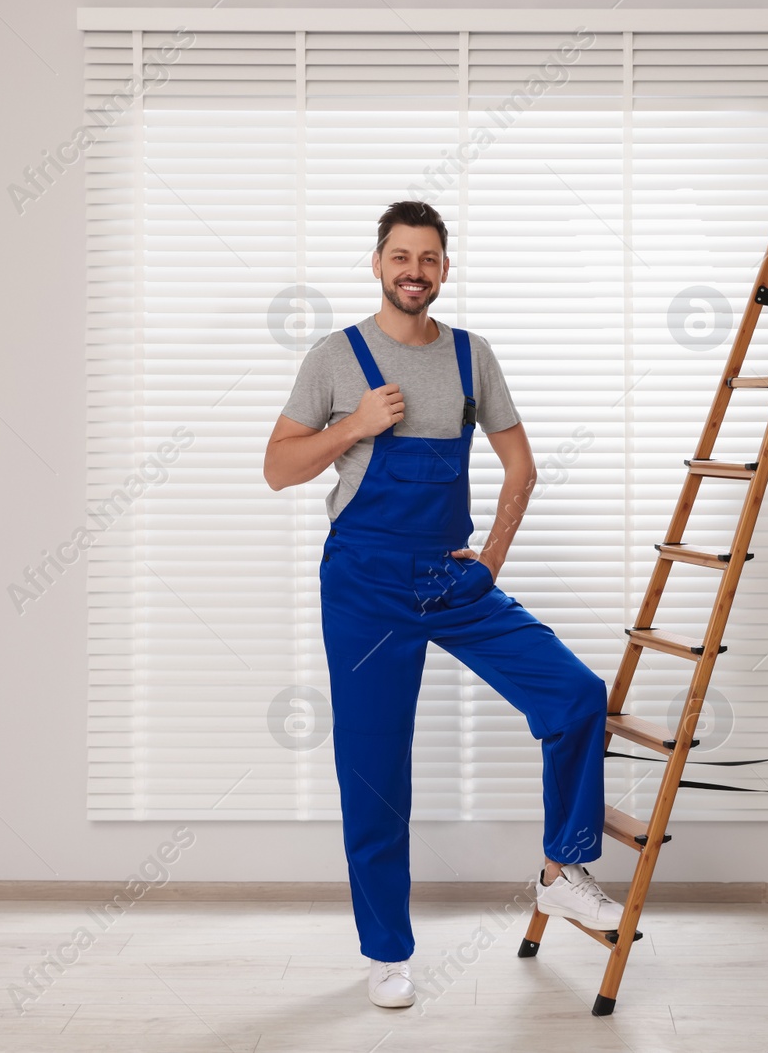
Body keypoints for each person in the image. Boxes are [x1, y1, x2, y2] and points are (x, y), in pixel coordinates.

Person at [263, 201, 623, 1009]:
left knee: (573, 695)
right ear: (378, 263)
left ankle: (564, 868)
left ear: (444, 270)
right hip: (362, 583)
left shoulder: (471, 357)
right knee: (375, 771)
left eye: (428, 258)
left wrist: (488, 560)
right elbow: (278, 468)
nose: (413, 270)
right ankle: (387, 951)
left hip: (451, 579)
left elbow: (521, 468)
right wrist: (353, 424)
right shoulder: (336, 357)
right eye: (400, 256)